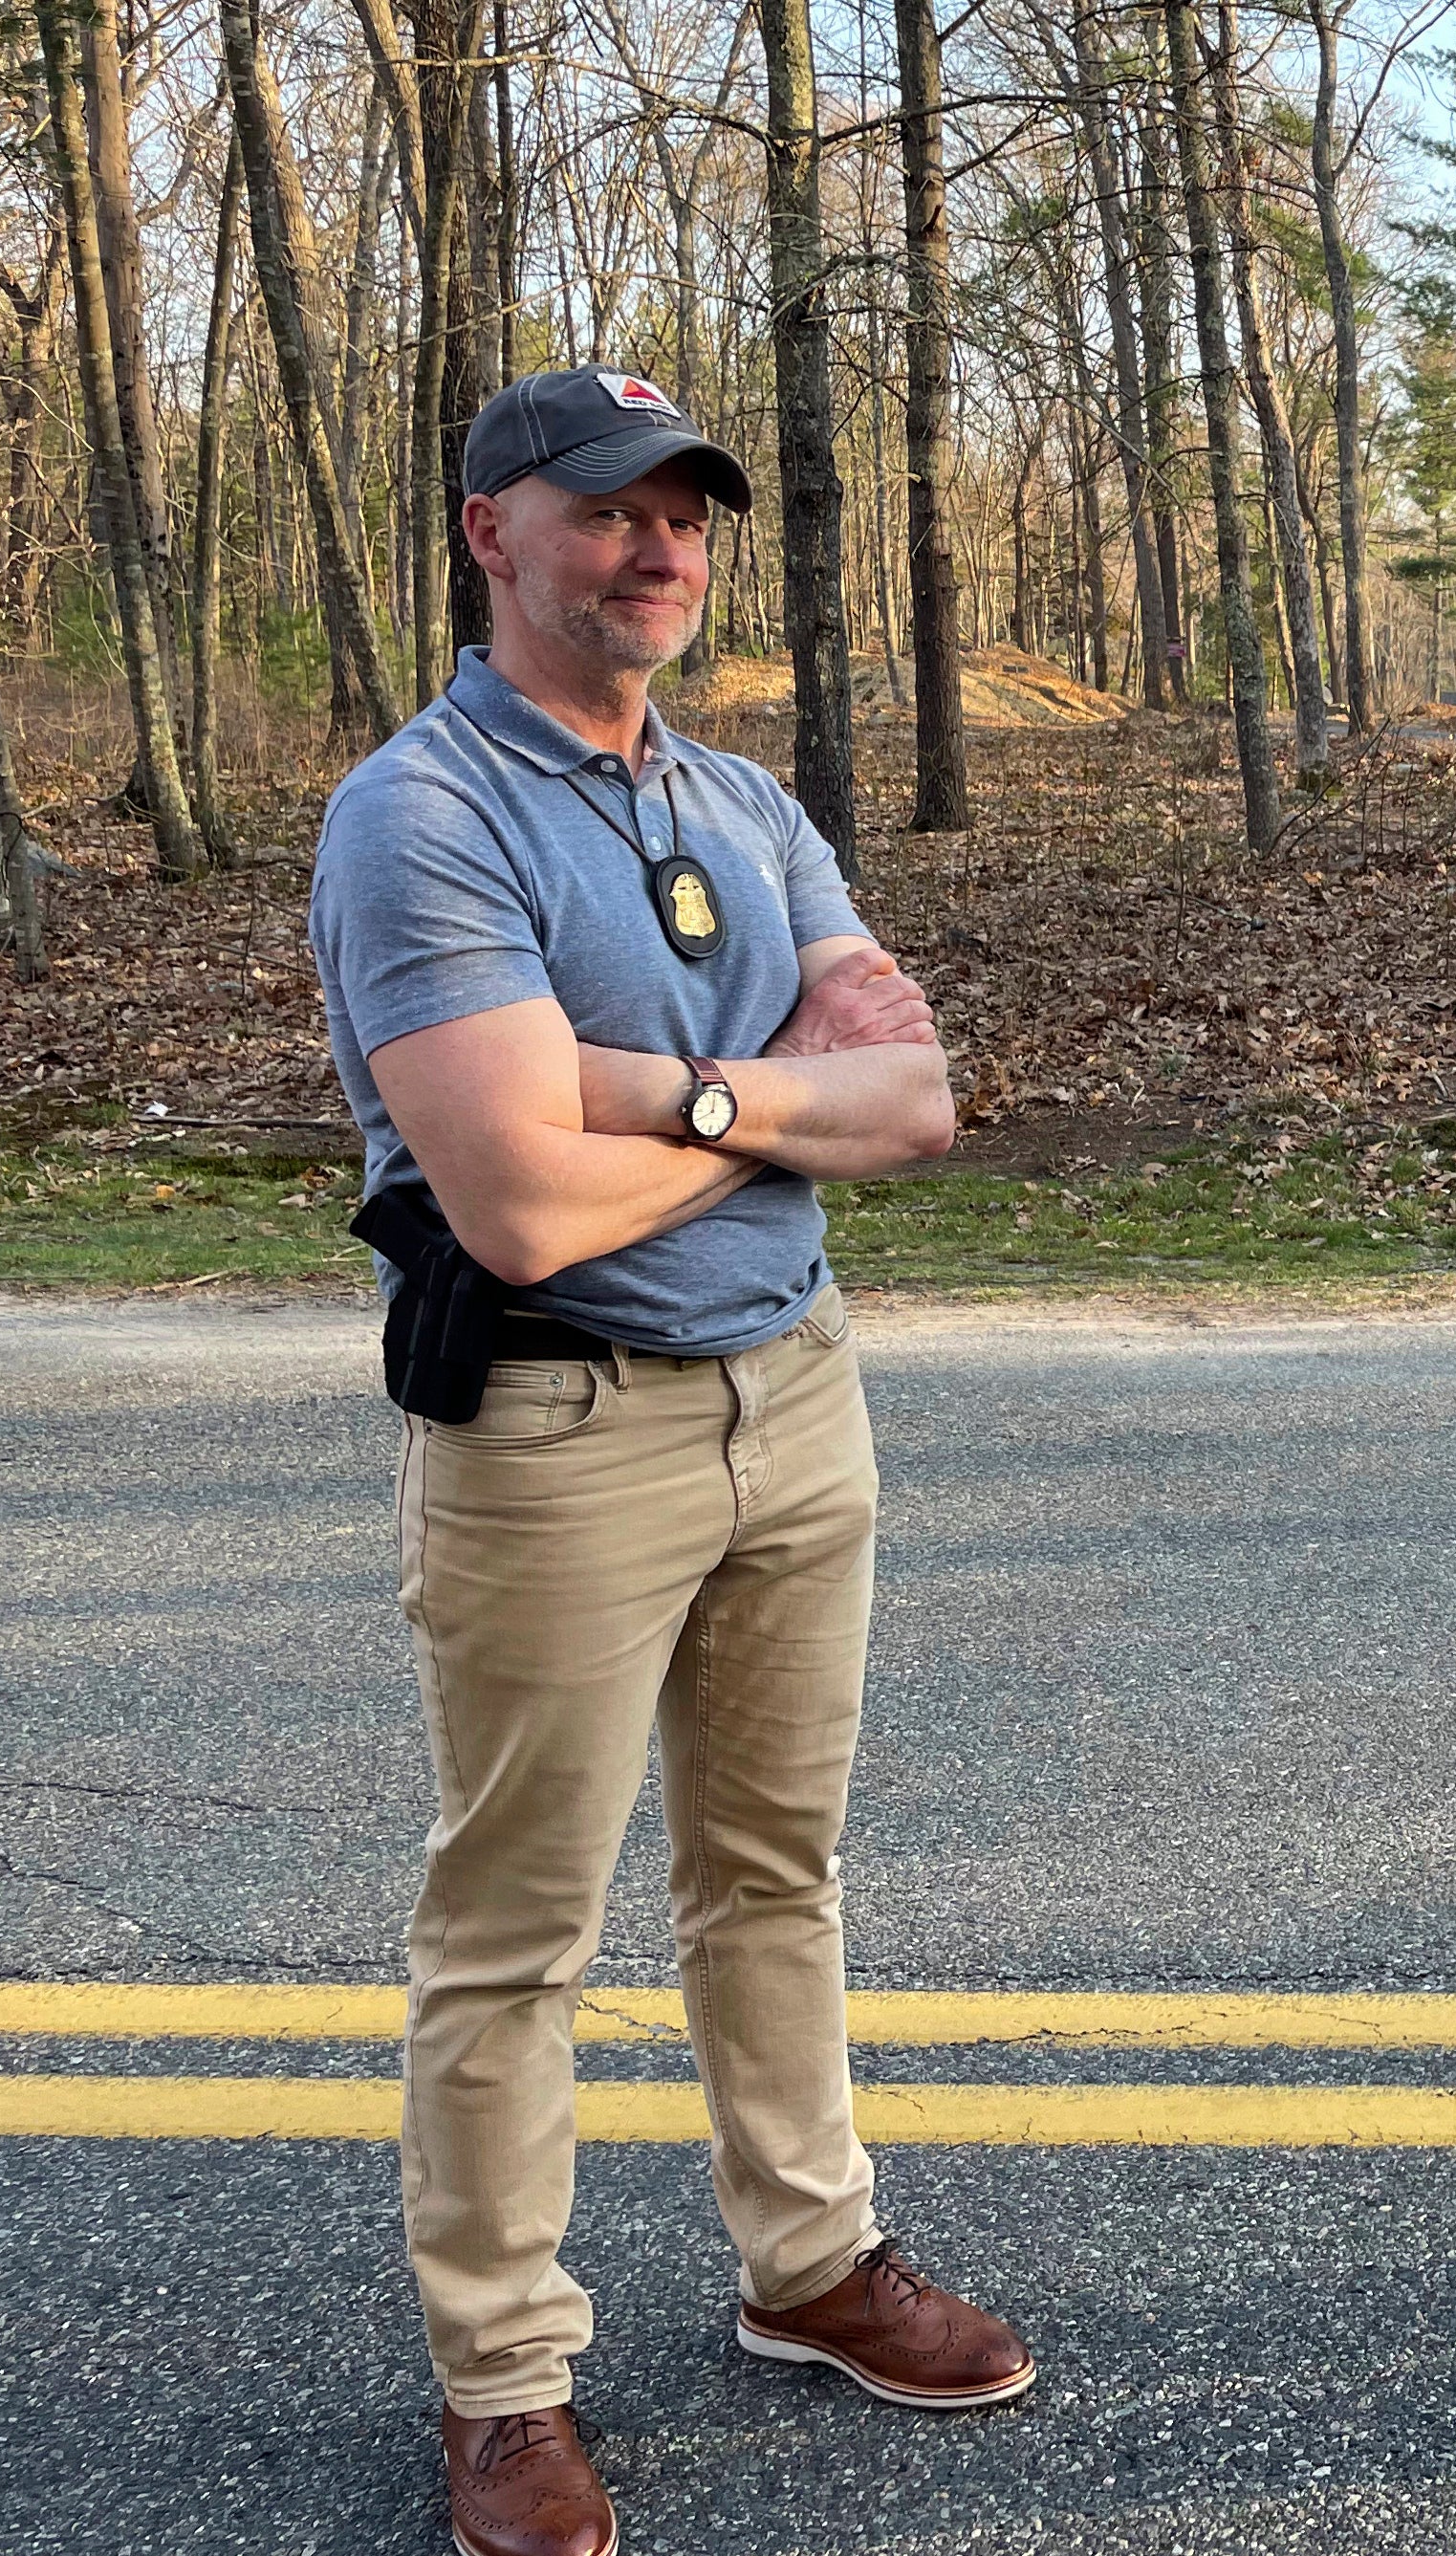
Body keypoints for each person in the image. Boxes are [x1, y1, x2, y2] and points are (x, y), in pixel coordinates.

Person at [310, 368, 1032, 2556]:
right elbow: (516, 1214)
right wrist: (762, 1095)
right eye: (605, 509)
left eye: (685, 514)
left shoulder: (743, 798)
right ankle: (504, 2377)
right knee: (515, 1931)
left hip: (795, 1399)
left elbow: (914, 1100)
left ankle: (810, 2258)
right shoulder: (420, 815)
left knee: (774, 1876)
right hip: (551, 1426)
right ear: (487, 533)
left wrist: (653, 1093)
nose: (657, 547)